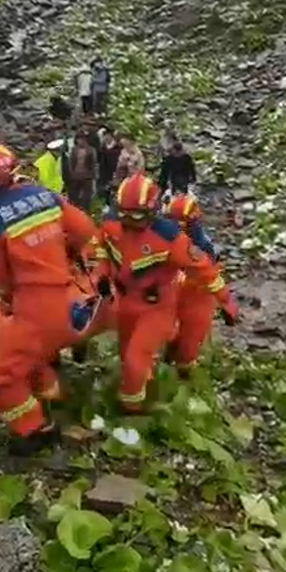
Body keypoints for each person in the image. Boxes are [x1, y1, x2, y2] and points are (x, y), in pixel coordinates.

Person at [0, 143, 98, 455]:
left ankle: (35, 430)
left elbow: (0, 278)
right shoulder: (47, 197)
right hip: (69, 294)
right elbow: (85, 231)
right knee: (36, 352)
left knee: (0, 376)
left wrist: (9, 301)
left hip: (36, 307)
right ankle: (53, 385)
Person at [97, 174, 238, 412]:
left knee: (135, 359)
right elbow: (100, 246)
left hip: (156, 308)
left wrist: (226, 302)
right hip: (125, 303)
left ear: (152, 211)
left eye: (137, 215)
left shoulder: (170, 238)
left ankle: (132, 411)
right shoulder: (111, 224)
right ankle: (147, 386)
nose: (129, 221)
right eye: (124, 214)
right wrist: (102, 274)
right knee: (127, 357)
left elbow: (205, 270)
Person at [164, 193, 236, 375]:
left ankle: (182, 374)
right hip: (172, 291)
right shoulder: (163, 237)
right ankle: (168, 360)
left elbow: (210, 278)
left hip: (195, 295)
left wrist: (227, 305)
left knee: (190, 338)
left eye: (180, 224)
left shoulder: (201, 248)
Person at [68, 131, 97, 212]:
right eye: (79, 139)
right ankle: (74, 209)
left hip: (87, 175)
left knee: (86, 196)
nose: (80, 141)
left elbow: (94, 163)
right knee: (74, 194)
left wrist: (93, 174)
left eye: (82, 139)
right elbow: (71, 162)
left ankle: (86, 210)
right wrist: (72, 172)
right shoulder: (74, 150)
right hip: (76, 175)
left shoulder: (91, 150)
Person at [98, 128, 121, 205]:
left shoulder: (118, 147)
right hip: (104, 171)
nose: (106, 138)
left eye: (108, 136)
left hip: (114, 170)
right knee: (105, 188)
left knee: (113, 189)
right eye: (105, 136)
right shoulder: (102, 147)